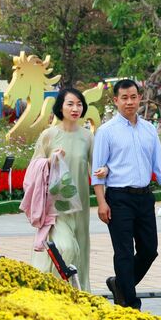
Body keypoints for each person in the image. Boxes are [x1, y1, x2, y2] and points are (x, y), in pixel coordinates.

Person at [92, 79, 161, 310]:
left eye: (133, 97)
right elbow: (97, 172)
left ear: (140, 98)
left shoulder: (149, 130)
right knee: (124, 252)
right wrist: (101, 203)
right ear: (116, 100)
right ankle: (130, 303)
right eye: (124, 98)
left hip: (144, 197)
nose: (129, 102)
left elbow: (160, 167)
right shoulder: (106, 132)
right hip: (118, 198)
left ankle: (120, 284)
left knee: (149, 250)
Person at [25, 88, 95, 290]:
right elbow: (33, 167)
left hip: (80, 205)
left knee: (80, 247)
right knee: (65, 247)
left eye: (79, 104)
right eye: (70, 104)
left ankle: (79, 291)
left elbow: (96, 167)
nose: (75, 108)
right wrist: (50, 160)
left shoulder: (87, 137)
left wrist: (104, 173)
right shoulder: (49, 135)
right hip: (56, 206)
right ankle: (56, 289)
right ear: (60, 107)